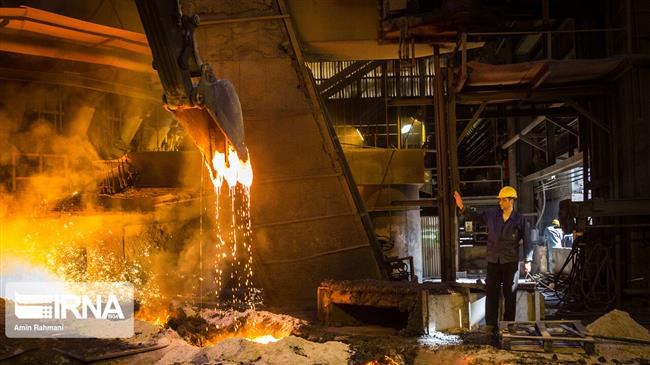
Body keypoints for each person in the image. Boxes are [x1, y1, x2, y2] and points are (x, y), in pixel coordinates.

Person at [453, 186, 533, 332]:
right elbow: (476, 216)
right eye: (500, 200)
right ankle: (491, 324)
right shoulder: (492, 215)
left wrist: (528, 260)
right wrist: (462, 207)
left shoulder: (520, 220)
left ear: (512, 201)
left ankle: (508, 325)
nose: (500, 202)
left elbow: (528, 240)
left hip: (510, 262)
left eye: (503, 200)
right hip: (493, 261)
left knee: (510, 294)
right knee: (491, 293)